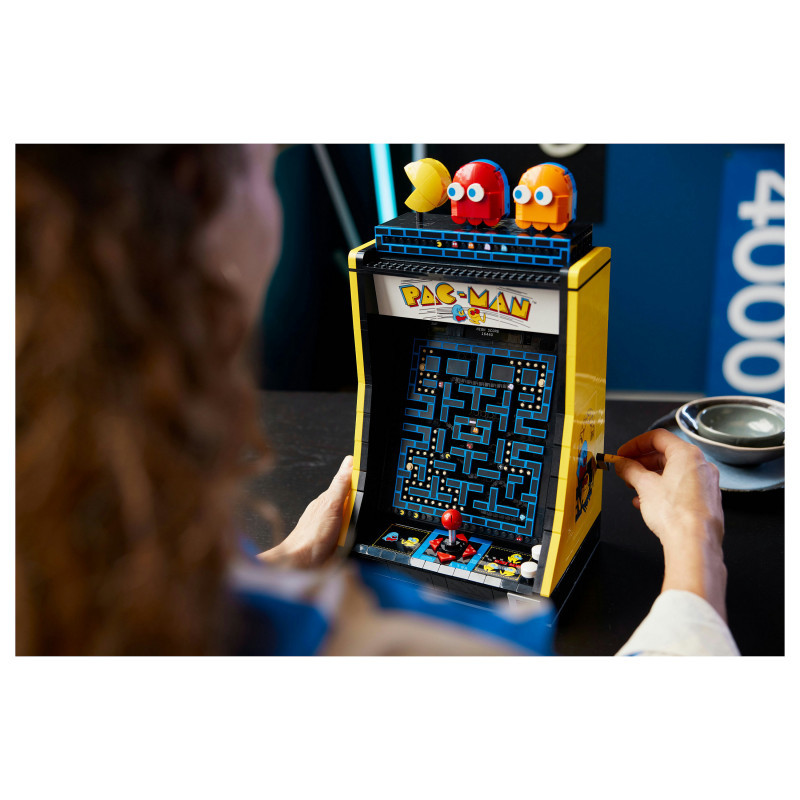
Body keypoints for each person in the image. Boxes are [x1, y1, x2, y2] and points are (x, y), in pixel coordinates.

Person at [15, 144, 738, 656]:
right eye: (266, 164)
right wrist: (696, 555)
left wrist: (285, 561)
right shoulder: (413, 649)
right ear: (193, 205)